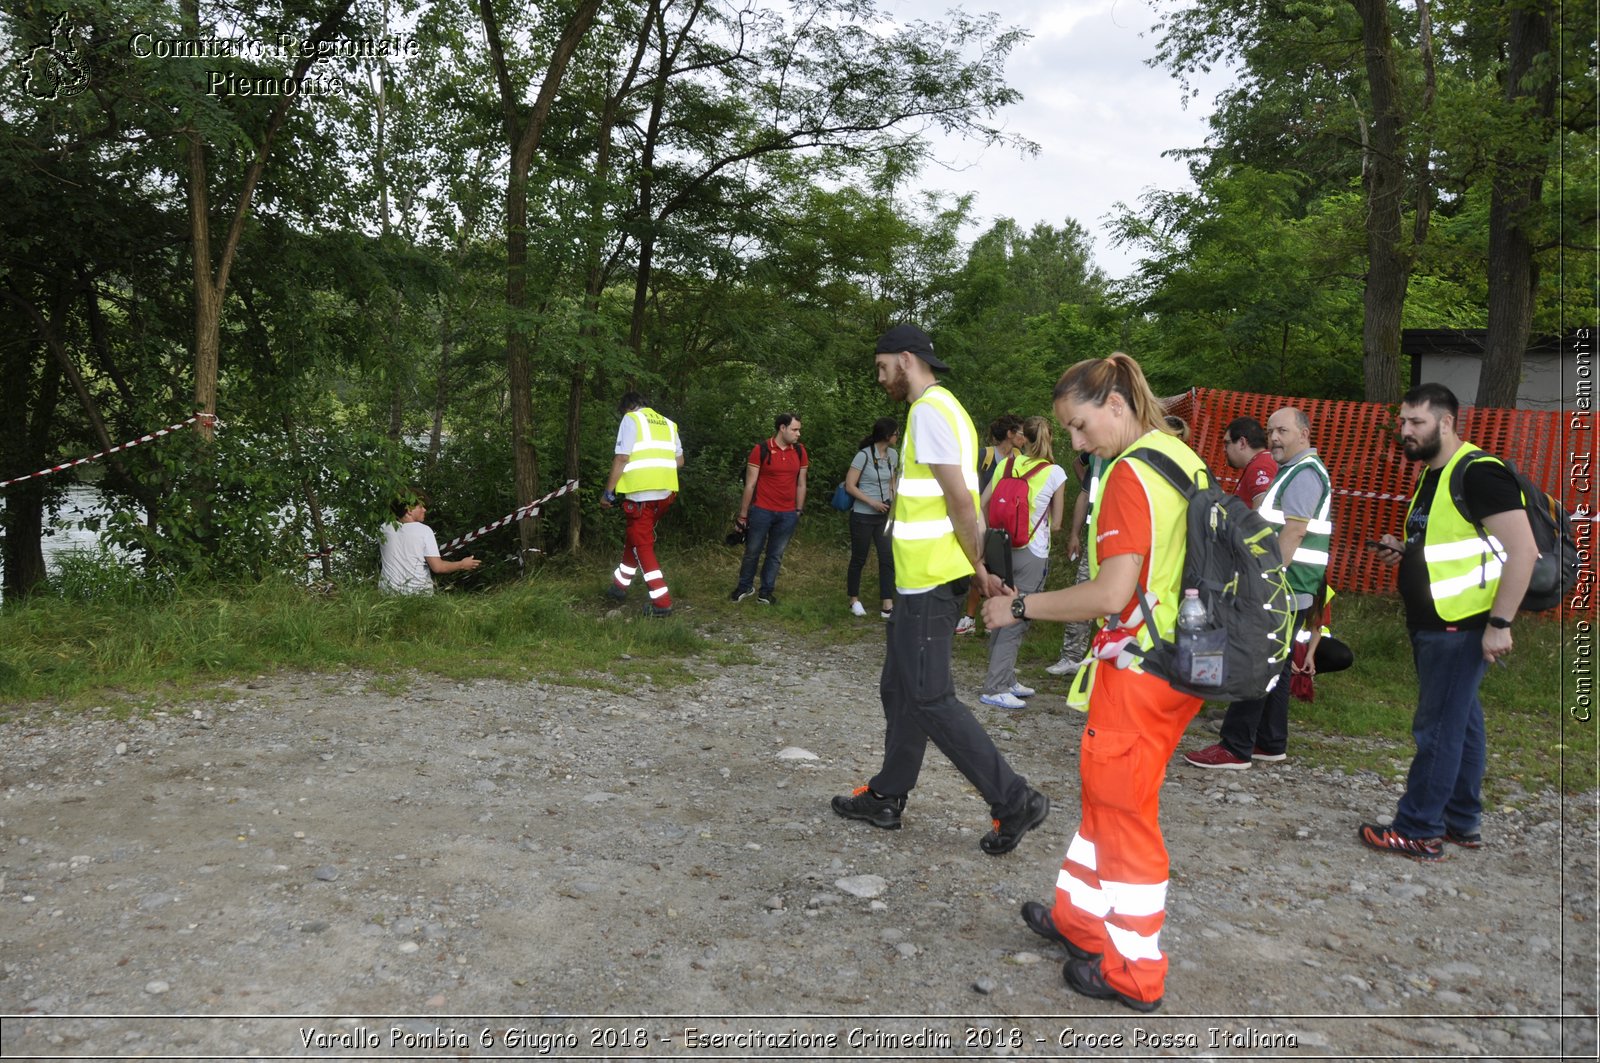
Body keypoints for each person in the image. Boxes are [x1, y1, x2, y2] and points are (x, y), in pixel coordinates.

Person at [981, 352, 1206, 1013]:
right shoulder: (1178, 455)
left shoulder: (1131, 474)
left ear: (1114, 404)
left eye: (1080, 427)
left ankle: (1135, 972)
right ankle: (1080, 922)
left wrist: (1019, 605)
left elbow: (1111, 591)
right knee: (1106, 802)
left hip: (1140, 670)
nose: (1077, 444)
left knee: (1127, 817)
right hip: (1173, 664)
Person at [831, 323, 1049, 857]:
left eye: (883, 367)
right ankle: (887, 794)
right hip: (923, 579)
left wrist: (975, 563)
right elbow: (965, 499)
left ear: (906, 359)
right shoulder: (947, 408)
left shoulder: (928, 411)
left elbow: (957, 497)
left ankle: (1014, 798)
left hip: (930, 581)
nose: (879, 377)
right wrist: (977, 569)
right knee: (899, 689)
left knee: (928, 696)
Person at [1362, 383, 1535, 860]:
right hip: (1434, 622)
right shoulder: (1433, 475)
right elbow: (1449, 545)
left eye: (1416, 422)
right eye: (1402, 422)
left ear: (1447, 422)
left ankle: (1419, 828)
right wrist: (1404, 552)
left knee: (1437, 727)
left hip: (1461, 625)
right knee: (1462, 722)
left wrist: (1500, 623)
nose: (1405, 431)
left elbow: (1523, 551)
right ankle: (1462, 821)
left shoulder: (1478, 472)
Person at [1185, 406, 1332, 769]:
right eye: (1270, 432)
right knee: (1276, 664)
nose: (1275, 438)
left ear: (1304, 434)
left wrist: (1265, 579)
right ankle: (1270, 741)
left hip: (1284, 584)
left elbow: (1294, 532)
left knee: (1256, 660)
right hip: (1292, 585)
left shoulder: (1303, 473)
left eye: (1282, 430)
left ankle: (1235, 747)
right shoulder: (1293, 472)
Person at [978, 415, 1067, 709]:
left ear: (1023, 438)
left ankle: (1004, 678)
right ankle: (995, 686)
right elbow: (1056, 524)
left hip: (1000, 547)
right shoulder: (1055, 473)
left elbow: (983, 502)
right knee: (1016, 618)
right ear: (1048, 438)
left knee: (1003, 611)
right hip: (1031, 551)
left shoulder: (1007, 464)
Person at [601, 392, 684, 617]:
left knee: (642, 545)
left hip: (640, 497)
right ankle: (619, 586)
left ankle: (661, 602)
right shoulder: (668, 423)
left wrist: (609, 492)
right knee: (636, 538)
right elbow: (679, 460)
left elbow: (621, 458)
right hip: (665, 496)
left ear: (628, 407)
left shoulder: (631, 419)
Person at [730, 412, 808, 607]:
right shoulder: (761, 449)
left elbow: (801, 483)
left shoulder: (800, 451)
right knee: (752, 551)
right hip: (762, 510)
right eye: (794, 429)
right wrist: (743, 514)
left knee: (775, 554)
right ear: (782, 428)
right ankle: (744, 586)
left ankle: (766, 592)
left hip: (788, 513)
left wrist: (798, 510)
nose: (798, 434)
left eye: (799, 430)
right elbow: (750, 484)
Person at [960, 415, 1025, 635]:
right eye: (1021, 433)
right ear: (1010, 434)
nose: (1024, 438)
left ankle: (992, 618)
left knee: (999, 571)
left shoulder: (1019, 458)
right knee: (978, 569)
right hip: (979, 521)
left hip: (1004, 523)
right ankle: (969, 617)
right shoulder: (984, 456)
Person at [1044, 450, 1103, 677]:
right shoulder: (1098, 454)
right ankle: (1071, 658)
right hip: (1094, 537)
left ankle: (1114, 660)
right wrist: (1075, 535)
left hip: (1127, 541)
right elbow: (1084, 494)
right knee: (1083, 593)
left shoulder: (1137, 453)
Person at [844, 416, 899, 618]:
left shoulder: (893, 455)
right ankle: (854, 600)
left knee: (887, 558)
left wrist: (893, 501)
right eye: (895, 433)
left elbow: (892, 481)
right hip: (862, 515)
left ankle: (887, 603)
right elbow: (850, 486)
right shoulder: (863, 456)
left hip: (884, 516)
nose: (897, 436)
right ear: (886, 435)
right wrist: (872, 502)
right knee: (859, 558)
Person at [379, 489, 480, 594]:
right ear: (409, 510)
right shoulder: (424, 531)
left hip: (387, 594)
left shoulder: (384, 528)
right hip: (418, 594)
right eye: (421, 506)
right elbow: (438, 567)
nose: (424, 510)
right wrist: (462, 564)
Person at [1223, 416, 1278, 509]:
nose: (1224, 449)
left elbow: (1263, 507)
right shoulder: (1261, 461)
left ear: (1242, 443)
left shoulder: (1260, 465)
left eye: (1226, 443)